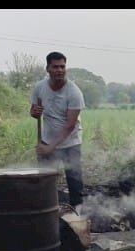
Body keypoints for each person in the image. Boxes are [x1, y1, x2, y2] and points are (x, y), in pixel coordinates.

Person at [30, 51, 86, 208]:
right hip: (47, 139)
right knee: (45, 179)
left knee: (74, 180)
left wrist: (50, 148)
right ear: (48, 69)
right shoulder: (39, 88)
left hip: (71, 142)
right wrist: (34, 113)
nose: (60, 70)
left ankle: (78, 212)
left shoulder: (74, 92)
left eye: (62, 66)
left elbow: (70, 125)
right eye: (55, 67)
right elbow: (34, 111)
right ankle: (46, 211)